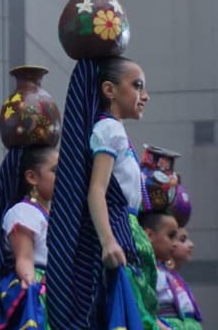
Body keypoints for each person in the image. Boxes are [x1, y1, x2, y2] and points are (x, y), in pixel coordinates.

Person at [47, 57, 162, 330]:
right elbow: (97, 190)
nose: (144, 95)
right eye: (137, 86)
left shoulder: (115, 130)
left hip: (128, 232)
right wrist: (109, 241)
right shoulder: (109, 129)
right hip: (120, 233)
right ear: (109, 90)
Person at [0, 144, 58, 329]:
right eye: (55, 170)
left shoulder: (51, 215)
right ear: (32, 177)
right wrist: (31, 284)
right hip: (38, 288)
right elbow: (24, 258)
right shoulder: (24, 212)